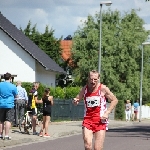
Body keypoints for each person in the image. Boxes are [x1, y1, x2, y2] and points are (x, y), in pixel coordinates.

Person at [73, 70, 118, 150]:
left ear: (98, 79)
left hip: (100, 121)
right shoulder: (84, 89)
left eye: (95, 79)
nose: (93, 81)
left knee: (97, 148)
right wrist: (75, 101)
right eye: (91, 79)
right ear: (88, 78)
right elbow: (77, 99)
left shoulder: (103, 88)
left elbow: (114, 100)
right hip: (88, 120)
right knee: (87, 145)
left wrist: (107, 112)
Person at [0, 73, 18, 140]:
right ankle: (6, 135)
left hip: (1, 104)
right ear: (10, 78)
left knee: (1, 120)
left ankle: (0, 134)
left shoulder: (0, 85)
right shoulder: (13, 86)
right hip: (9, 104)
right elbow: (16, 95)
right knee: (8, 120)